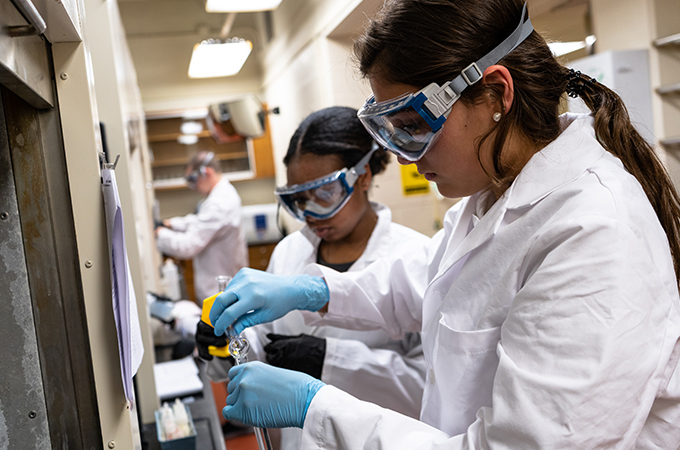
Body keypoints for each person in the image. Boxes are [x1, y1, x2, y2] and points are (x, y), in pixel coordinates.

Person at [208, 1, 680, 448]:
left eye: (412, 122)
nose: (397, 152)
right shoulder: (491, 194)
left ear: (495, 93)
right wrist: (314, 292)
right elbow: (423, 286)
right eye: (388, 128)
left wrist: (317, 408)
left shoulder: (594, 234)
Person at [197, 106, 429, 450]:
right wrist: (224, 346)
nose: (309, 213)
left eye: (324, 194)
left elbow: (431, 389)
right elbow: (264, 347)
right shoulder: (289, 252)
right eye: (298, 199)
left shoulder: (417, 256)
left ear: (363, 175)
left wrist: (329, 361)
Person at [156, 151, 248, 303]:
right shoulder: (222, 194)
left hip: (219, 292)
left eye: (193, 179)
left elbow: (188, 246)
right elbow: (199, 222)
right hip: (222, 289)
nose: (193, 186)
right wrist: (170, 224)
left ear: (207, 173)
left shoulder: (218, 203)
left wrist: (159, 234)